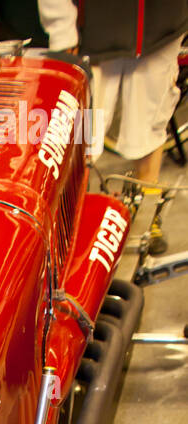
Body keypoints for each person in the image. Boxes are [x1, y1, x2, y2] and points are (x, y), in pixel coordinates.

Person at [42, 2, 188, 249]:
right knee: (81, 136)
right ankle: (70, 229)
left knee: (150, 122)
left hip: (163, 25)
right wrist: (61, 29)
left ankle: (145, 214)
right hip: (92, 33)